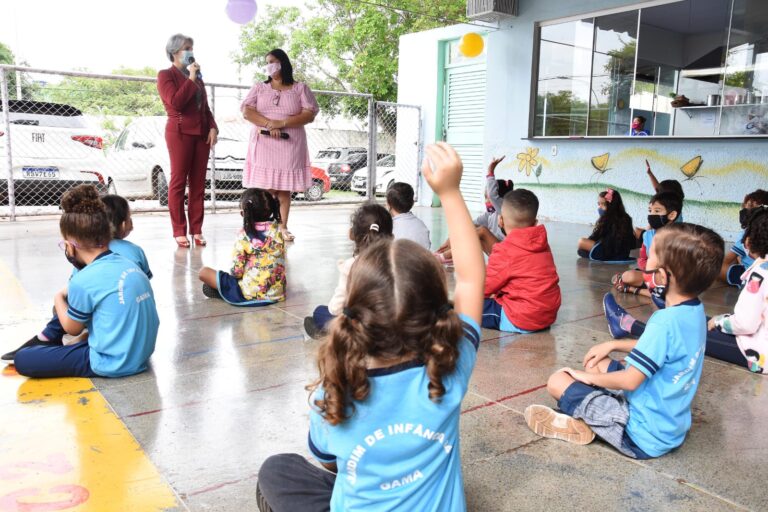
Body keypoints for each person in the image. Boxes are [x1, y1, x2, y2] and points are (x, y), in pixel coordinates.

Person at [256, 142, 485, 511]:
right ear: (435, 309)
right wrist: (451, 193)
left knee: (278, 470)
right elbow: (473, 280)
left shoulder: (333, 390)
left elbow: (329, 462)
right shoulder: (451, 366)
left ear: (355, 310)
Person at [525, 223, 723, 458]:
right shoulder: (695, 311)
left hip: (641, 434)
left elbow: (630, 381)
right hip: (670, 427)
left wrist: (583, 377)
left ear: (661, 275)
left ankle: (589, 424)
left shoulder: (664, 321)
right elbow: (666, 350)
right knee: (597, 361)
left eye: (650, 257)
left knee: (558, 380)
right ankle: (592, 414)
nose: (644, 264)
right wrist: (614, 344)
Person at [11, 186, 160, 378]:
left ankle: (53, 342)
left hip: (112, 362)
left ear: (71, 246)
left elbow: (71, 329)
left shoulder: (83, 279)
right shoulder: (130, 264)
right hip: (141, 355)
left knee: (25, 359)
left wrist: (58, 297)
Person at [605, 207, 768, 374]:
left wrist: (720, 322)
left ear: (749, 241)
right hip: (759, 338)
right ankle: (668, 308)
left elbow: (746, 323)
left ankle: (628, 325)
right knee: (696, 320)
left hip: (758, 354)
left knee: (685, 331)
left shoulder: (760, 275)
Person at [241, 49, 319, 242]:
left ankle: (282, 227)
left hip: (290, 143)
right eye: (267, 62)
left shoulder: (300, 88)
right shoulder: (259, 88)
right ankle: (262, 226)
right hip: (264, 143)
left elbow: (309, 114)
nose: (270, 65)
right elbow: (247, 111)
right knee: (266, 189)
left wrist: (282, 123)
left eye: (273, 61)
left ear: (283, 63)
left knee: (283, 189)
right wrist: (269, 124)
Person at [157, 33, 218, 248]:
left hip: (201, 134)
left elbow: (205, 107)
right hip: (179, 133)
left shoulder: (197, 77)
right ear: (174, 52)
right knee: (178, 182)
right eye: (186, 48)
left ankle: (197, 229)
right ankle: (179, 231)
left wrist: (212, 127)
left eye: (191, 47)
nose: (190, 52)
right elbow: (177, 102)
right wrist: (191, 78)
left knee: (198, 184)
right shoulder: (166, 75)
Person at [303, 204, 393, 339]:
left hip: (363, 328)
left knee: (320, 312)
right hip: (393, 325)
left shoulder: (351, 266)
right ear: (391, 236)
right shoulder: (399, 261)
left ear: (352, 234)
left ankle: (337, 333)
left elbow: (335, 308)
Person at [483, 189, 561, 333]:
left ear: (500, 220)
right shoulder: (543, 244)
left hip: (521, 319)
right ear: (535, 222)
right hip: (547, 316)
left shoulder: (505, 250)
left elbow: (485, 287)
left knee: (466, 305)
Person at [198, 188, 286, 306]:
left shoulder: (244, 235)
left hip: (250, 292)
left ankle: (225, 292)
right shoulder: (278, 232)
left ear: (244, 213)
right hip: (277, 293)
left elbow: (236, 272)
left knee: (203, 272)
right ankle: (223, 291)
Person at [435, 156, 513, 262]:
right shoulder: (489, 215)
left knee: (482, 231)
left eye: (488, 198)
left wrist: (490, 171)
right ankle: (446, 253)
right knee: (469, 228)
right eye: (485, 197)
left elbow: (493, 195)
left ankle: (444, 257)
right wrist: (450, 240)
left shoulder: (505, 210)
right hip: (497, 253)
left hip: (508, 256)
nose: (486, 201)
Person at [613, 191, 682, 298]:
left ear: (672, 215)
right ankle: (649, 289)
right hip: (651, 274)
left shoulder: (679, 237)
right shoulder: (648, 235)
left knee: (671, 291)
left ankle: (633, 289)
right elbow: (642, 258)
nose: (652, 215)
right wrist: (649, 269)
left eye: (657, 211)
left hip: (671, 278)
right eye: (650, 211)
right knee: (628, 276)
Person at [720, 189, 768, 287]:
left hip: (750, 275)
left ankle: (742, 281)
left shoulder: (747, 233)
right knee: (738, 256)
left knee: (716, 268)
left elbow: (726, 261)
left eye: (750, 206)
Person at [577, 189, 635, 262]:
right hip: (622, 253)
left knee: (581, 242)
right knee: (582, 249)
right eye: (599, 204)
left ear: (612, 205)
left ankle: (595, 254)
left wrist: (588, 243)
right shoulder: (626, 217)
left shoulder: (608, 218)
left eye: (603, 204)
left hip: (608, 251)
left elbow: (597, 236)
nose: (600, 207)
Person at [387, 182, 430, 250]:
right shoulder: (421, 225)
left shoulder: (389, 229)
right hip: (423, 259)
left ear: (388, 204)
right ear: (412, 203)